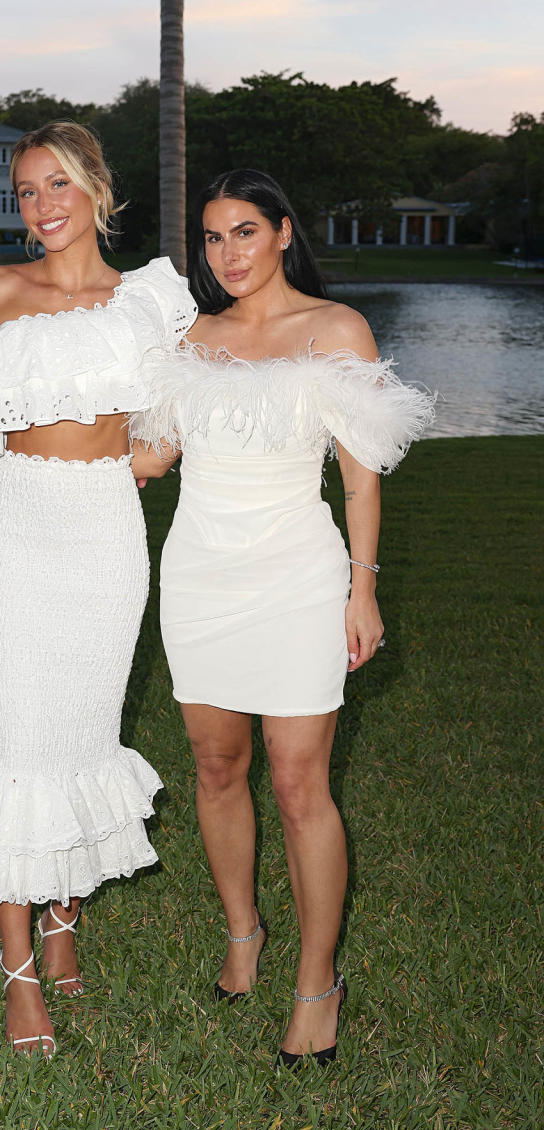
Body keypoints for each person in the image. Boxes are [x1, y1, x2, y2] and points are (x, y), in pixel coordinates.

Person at [131, 169, 434, 1068]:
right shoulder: (194, 335)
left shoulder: (333, 330)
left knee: (301, 785)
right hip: (199, 575)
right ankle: (242, 932)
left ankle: (317, 979)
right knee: (217, 766)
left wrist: (363, 586)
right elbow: (153, 454)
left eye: (246, 233)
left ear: (284, 232)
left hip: (299, 576)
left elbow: (361, 475)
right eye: (213, 238)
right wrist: (45, 451)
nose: (227, 254)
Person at [0, 122, 197, 1055]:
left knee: (88, 732)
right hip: (23, 529)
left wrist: (133, 466)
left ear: (96, 188)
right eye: (25, 191)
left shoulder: (151, 297)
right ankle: (19, 981)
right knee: (27, 741)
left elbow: (175, 413)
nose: (42, 206)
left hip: (106, 532)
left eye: (58, 185)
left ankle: (62, 925)